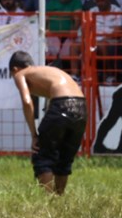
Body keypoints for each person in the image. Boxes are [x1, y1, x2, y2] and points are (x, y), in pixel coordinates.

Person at [9, 51, 87, 195]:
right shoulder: (49, 71)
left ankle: (49, 203)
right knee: (64, 158)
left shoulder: (21, 74)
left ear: (15, 69)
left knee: (42, 157)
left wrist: (34, 135)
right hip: (81, 107)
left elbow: (27, 102)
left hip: (60, 104)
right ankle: (58, 199)